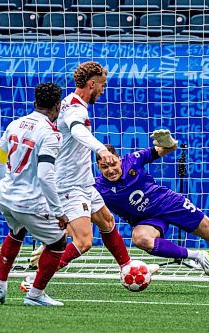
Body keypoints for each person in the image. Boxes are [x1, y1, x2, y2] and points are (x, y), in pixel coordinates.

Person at [92, 130, 209, 295]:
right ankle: (196, 256)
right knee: (141, 239)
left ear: (119, 159)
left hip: (169, 203)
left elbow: (166, 149)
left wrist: (169, 143)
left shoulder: (133, 159)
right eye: (104, 167)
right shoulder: (97, 187)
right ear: (98, 168)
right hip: (147, 220)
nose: (110, 170)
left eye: (113, 164)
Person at [51, 61, 144, 273]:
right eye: (102, 85)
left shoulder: (71, 103)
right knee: (83, 242)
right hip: (69, 185)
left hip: (84, 183)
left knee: (107, 220)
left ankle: (127, 268)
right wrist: (101, 150)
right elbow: (77, 131)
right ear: (92, 84)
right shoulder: (75, 109)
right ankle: (35, 281)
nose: (103, 90)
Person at [0, 82, 69, 306]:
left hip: (5, 198)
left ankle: (0, 286)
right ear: (57, 107)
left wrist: (10, 184)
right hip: (28, 203)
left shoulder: (15, 124)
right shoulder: (51, 134)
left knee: (17, 230)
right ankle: (35, 295)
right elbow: (45, 176)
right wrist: (58, 212)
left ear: (35, 103)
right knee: (58, 243)